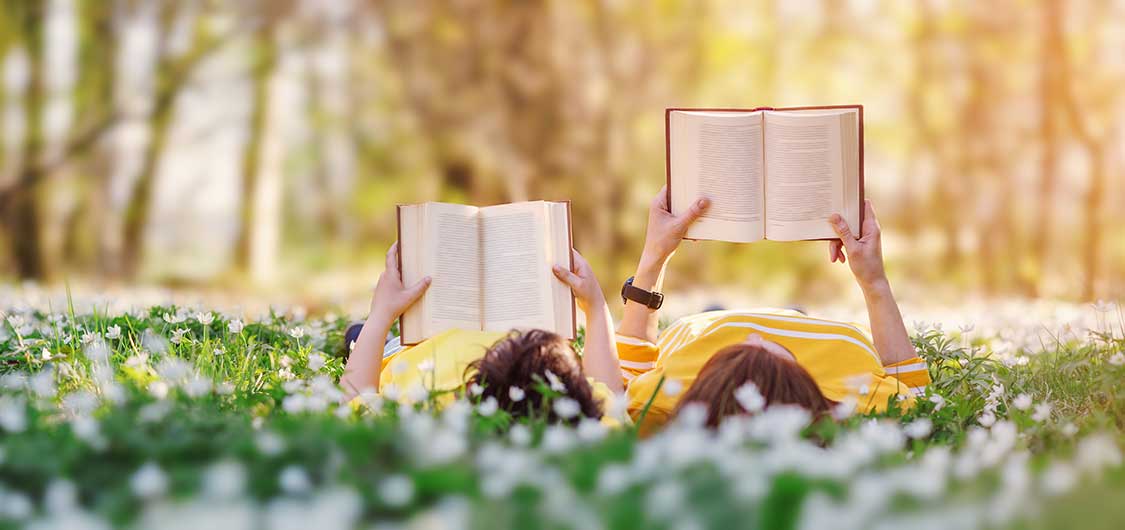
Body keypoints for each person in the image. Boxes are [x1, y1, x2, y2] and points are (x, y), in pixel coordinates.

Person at [616, 187, 930, 431]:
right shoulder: (860, 405)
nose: (754, 336)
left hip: (703, 327)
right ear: (804, 390)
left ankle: (716, 312)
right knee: (796, 312)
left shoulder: (664, 403)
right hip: (819, 335)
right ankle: (795, 315)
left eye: (736, 354)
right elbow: (916, 399)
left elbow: (629, 369)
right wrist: (874, 281)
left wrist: (655, 255)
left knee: (711, 311)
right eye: (771, 351)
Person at [340, 242, 623, 425]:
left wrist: (380, 315)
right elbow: (608, 390)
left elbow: (352, 399)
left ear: (470, 390)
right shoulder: (591, 418)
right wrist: (595, 306)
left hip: (415, 351)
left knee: (362, 335)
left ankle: (361, 332)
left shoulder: (427, 417)